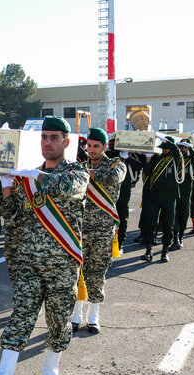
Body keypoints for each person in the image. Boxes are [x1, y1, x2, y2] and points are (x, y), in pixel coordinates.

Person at [0, 116, 89, 375]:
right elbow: (12, 214)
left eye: (54, 138)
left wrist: (34, 176)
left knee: (58, 319)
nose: (48, 142)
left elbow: (68, 188)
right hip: (29, 258)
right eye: (44, 137)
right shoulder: (29, 176)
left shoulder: (76, 172)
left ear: (66, 142)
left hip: (62, 262)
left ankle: (49, 372)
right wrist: (6, 184)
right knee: (22, 314)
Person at [72, 128, 125, 334]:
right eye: (89, 145)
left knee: (98, 273)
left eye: (96, 146)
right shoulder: (80, 166)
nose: (91, 149)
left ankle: (93, 316)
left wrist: (87, 173)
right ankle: (76, 315)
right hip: (80, 229)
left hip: (104, 230)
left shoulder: (116, 165)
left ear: (104, 147)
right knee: (78, 274)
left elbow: (114, 177)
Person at [140, 135, 183, 262]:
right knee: (151, 223)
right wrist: (148, 160)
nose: (164, 150)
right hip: (154, 196)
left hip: (169, 197)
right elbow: (148, 173)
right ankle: (149, 251)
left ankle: (165, 252)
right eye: (163, 148)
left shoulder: (175, 159)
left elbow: (177, 152)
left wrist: (168, 142)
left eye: (166, 148)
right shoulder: (157, 159)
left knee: (168, 225)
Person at [106, 139, 143, 253]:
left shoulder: (127, 155)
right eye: (111, 142)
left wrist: (127, 157)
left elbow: (139, 166)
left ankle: (120, 242)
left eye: (115, 142)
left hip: (123, 189)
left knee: (122, 215)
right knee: (107, 216)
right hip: (108, 189)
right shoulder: (107, 154)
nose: (113, 145)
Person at [170, 138, 194, 250]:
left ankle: (181, 237)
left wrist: (191, 148)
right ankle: (176, 238)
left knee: (183, 216)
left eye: (185, 147)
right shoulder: (174, 159)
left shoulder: (191, 159)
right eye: (180, 147)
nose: (182, 149)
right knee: (174, 216)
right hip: (174, 192)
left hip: (186, 193)